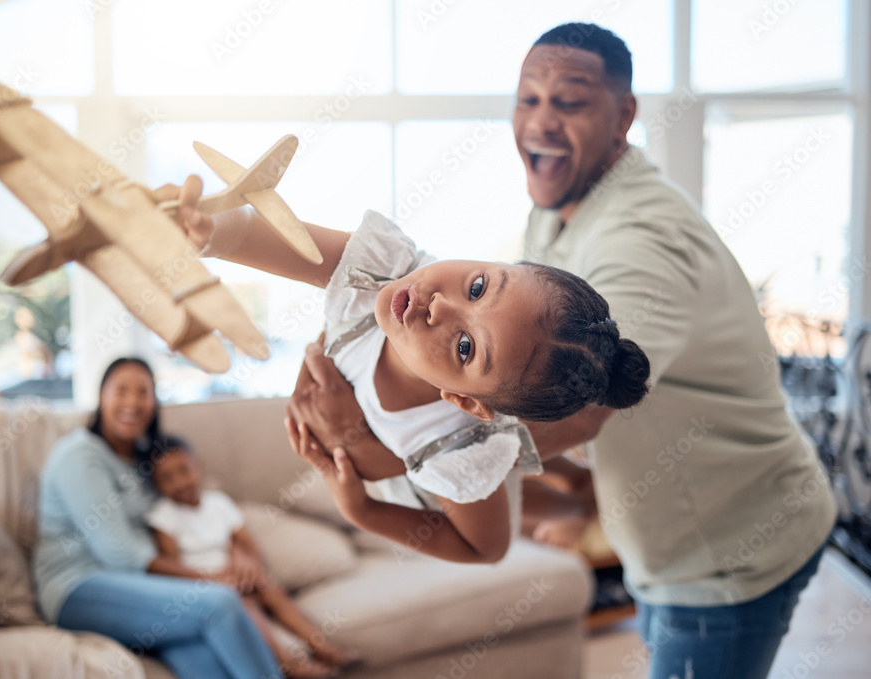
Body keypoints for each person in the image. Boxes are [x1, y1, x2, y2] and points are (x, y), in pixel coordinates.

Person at [284, 23, 837, 679]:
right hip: (662, 539)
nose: (540, 121)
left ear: (623, 115)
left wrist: (381, 448)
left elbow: (575, 411)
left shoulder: (640, 240)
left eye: (568, 101)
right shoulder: (560, 205)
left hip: (729, 546)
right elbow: (517, 369)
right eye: (528, 98)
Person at [155, 176, 651, 564]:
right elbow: (257, 235)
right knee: (523, 464)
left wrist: (363, 511)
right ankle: (578, 486)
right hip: (465, 434)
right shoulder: (384, 271)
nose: (439, 305)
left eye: (463, 347)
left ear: (464, 401)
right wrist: (207, 230)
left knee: (516, 491)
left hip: (425, 477)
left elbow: (485, 548)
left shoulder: (459, 451)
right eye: (478, 287)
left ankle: (579, 504)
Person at [32, 357, 283, 679]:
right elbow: (119, 553)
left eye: (143, 392)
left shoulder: (144, 461)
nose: (132, 403)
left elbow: (191, 513)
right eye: (121, 391)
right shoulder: (79, 455)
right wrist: (207, 579)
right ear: (101, 397)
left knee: (203, 655)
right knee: (219, 603)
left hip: (143, 590)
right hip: (77, 589)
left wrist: (238, 551)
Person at [143, 435, 361, 678]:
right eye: (167, 478)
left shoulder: (218, 503)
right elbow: (173, 566)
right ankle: (289, 663)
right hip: (204, 589)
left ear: (198, 466)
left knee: (270, 588)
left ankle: (325, 649)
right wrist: (214, 579)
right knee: (242, 604)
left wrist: (250, 566)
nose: (179, 482)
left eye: (184, 471)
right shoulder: (164, 516)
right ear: (156, 485)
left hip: (238, 578)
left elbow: (246, 543)